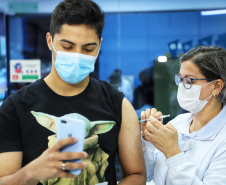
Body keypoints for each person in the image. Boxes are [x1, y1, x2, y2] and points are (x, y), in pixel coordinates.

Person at [0, 0, 146, 185]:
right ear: (49, 41)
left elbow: (137, 175)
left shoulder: (118, 104)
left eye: (88, 49)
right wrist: (31, 173)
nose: (77, 56)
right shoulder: (15, 107)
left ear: (99, 46)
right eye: (67, 47)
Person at [141, 46, 226, 184]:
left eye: (189, 80)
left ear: (216, 86)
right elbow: (149, 177)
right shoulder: (178, 123)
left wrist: (173, 152)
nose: (181, 86)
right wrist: (149, 142)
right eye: (180, 79)